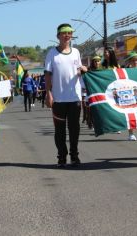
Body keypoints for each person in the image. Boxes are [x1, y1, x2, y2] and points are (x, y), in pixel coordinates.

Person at [45, 23, 88, 167]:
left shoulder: (76, 52)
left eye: (69, 33)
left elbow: (78, 70)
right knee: (60, 131)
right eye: (64, 33)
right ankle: (61, 157)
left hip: (74, 97)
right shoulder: (52, 53)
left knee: (74, 129)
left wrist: (83, 69)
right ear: (58, 36)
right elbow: (47, 75)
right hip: (58, 98)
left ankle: (74, 156)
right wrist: (48, 93)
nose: (67, 35)